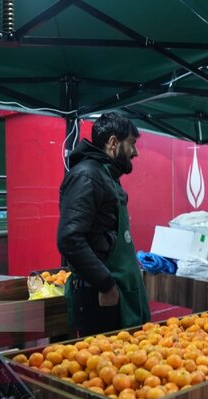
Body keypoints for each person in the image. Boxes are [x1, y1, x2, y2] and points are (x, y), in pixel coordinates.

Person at [57, 112, 150, 336]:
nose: (135, 152)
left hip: (114, 292)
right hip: (99, 297)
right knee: (104, 356)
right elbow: (70, 238)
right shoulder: (87, 176)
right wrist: (105, 283)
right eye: (131, 144)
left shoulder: (105, 176)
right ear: (113, 142)